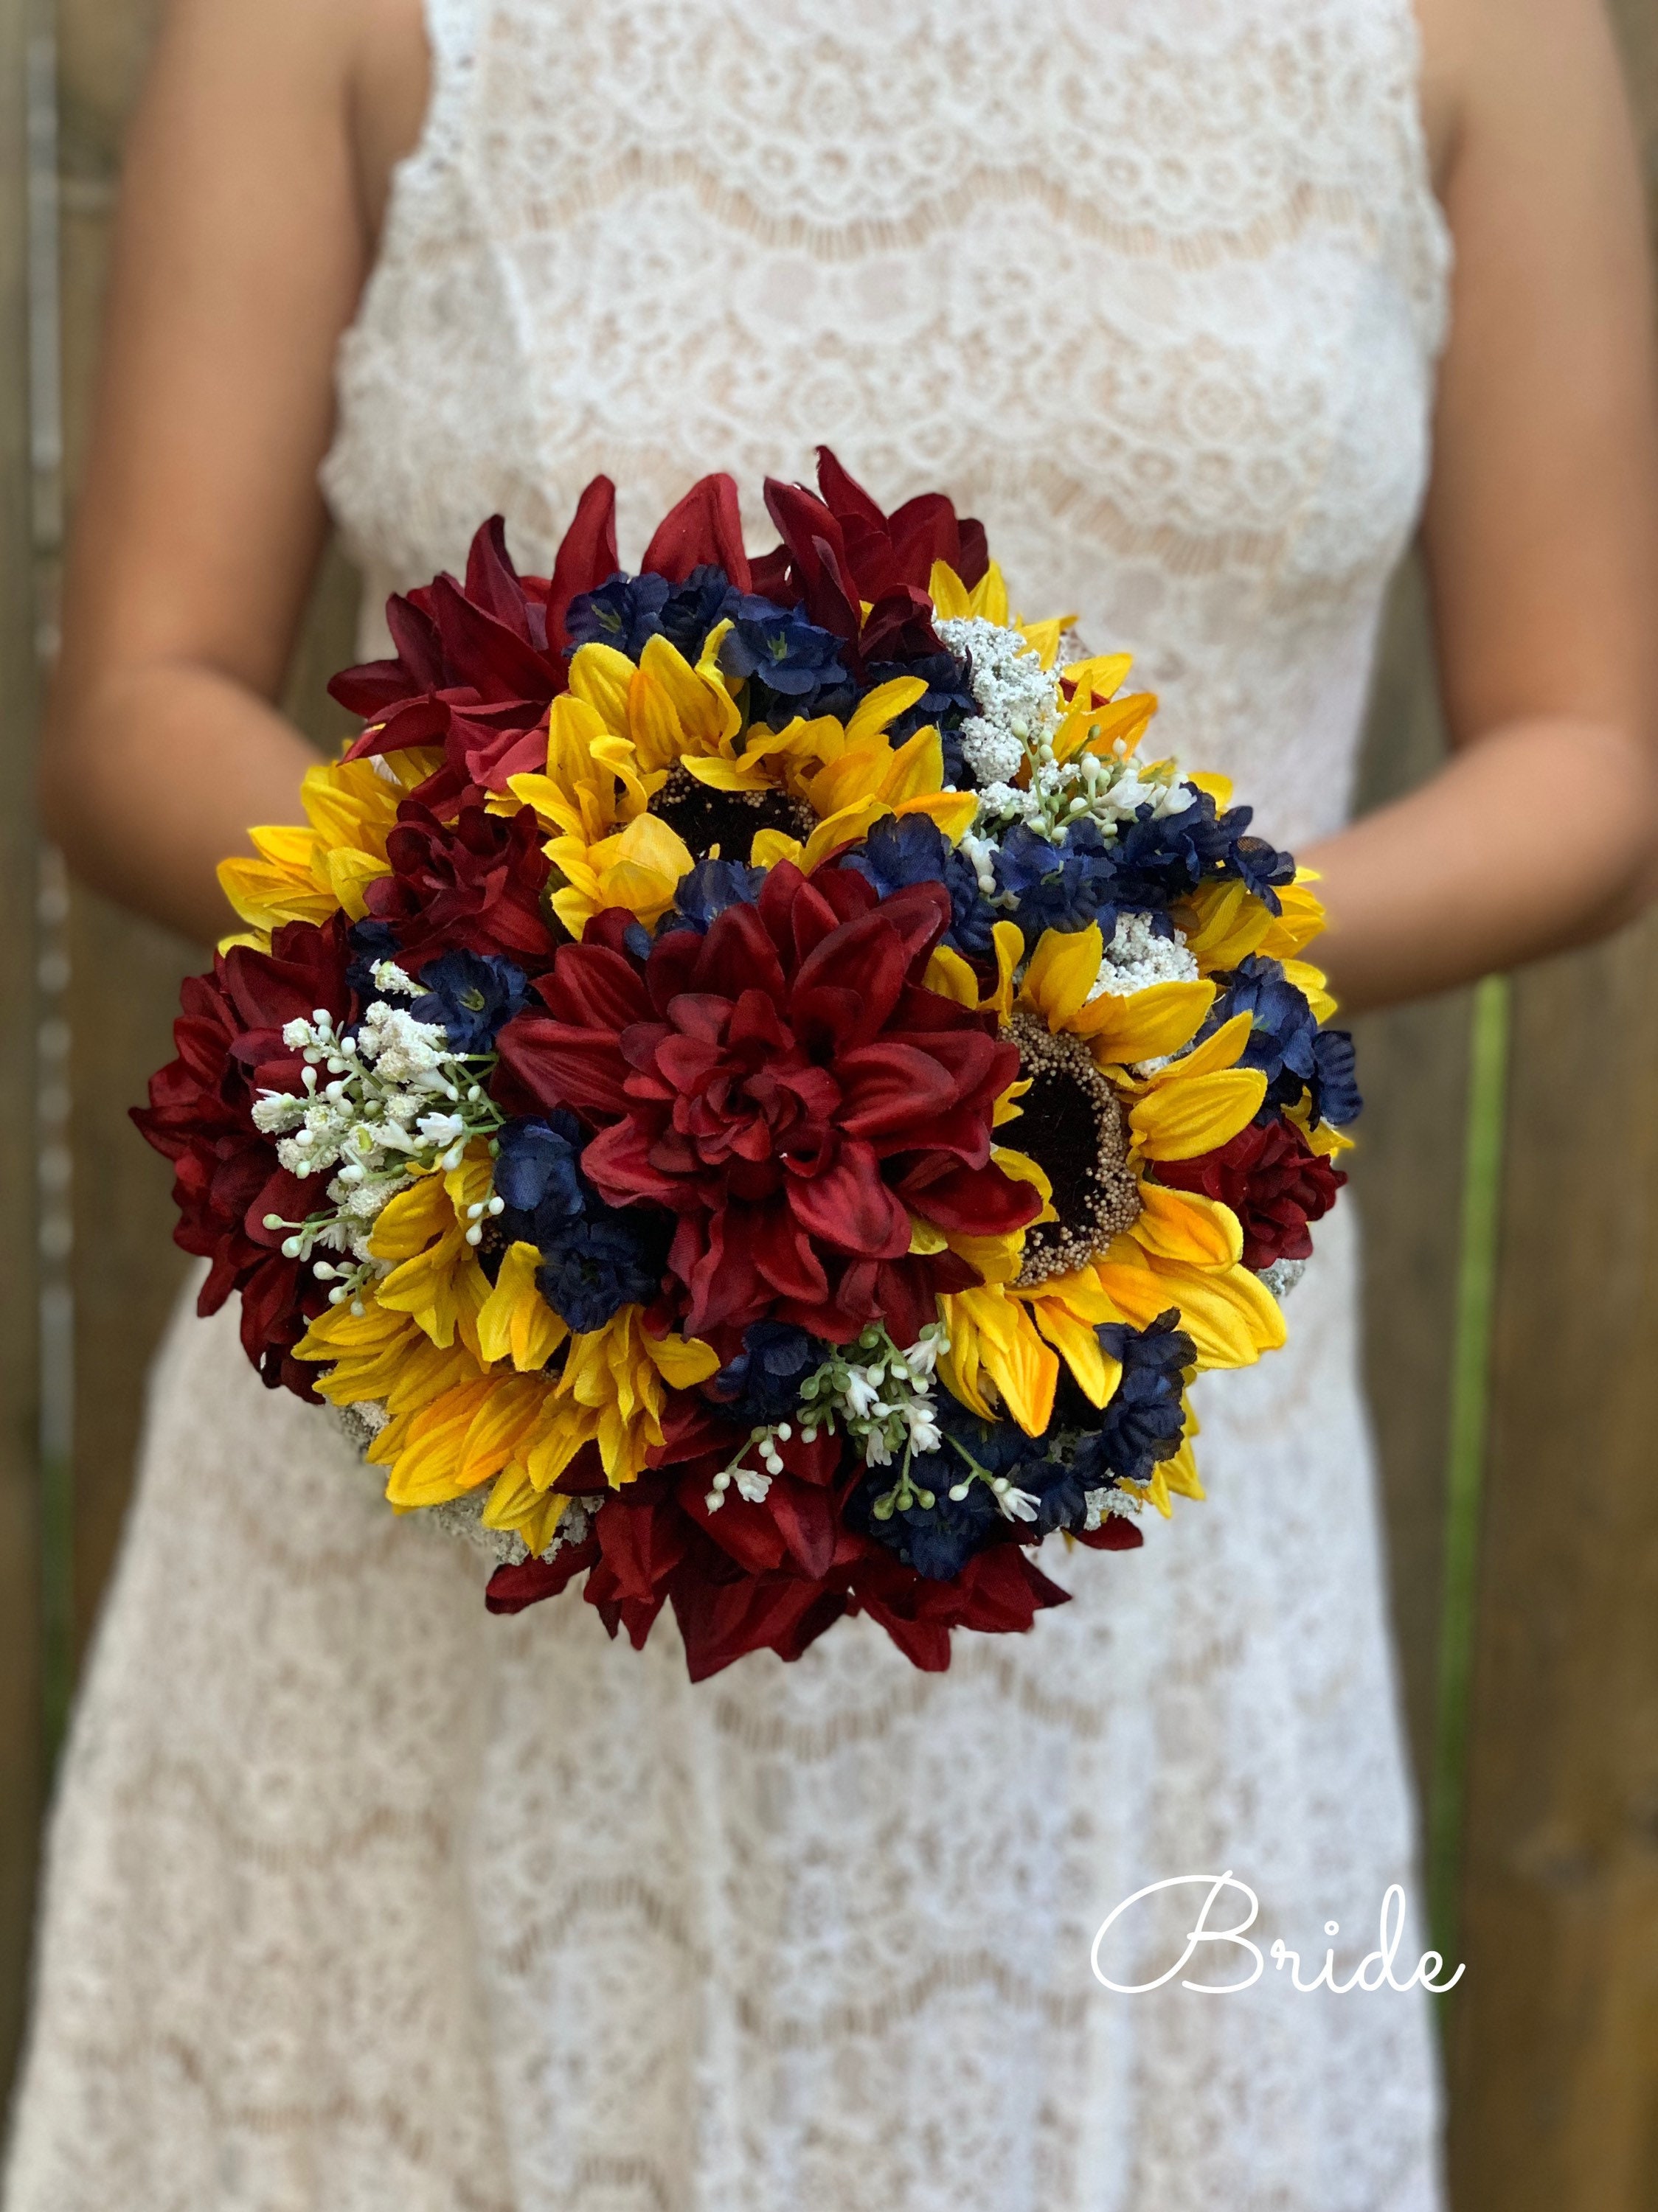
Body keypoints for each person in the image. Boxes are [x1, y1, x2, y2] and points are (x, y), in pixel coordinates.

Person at [8, 1, 1656, 2206]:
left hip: (1131, 1454)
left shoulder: (1477, 26)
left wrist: (1080, 993)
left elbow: (1592, 758)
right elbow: (133, 707)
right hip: (499, 1373)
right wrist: (559, 970)